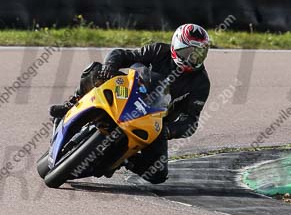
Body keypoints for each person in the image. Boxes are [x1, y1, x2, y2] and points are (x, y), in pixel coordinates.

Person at [49, 24, 211, 184]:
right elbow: (122, 54)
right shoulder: (158, 51)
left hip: (154, 121)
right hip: (129, 94)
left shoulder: (201, 83)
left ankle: (126, 159)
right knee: (94, 70)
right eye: (188, 52)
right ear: (176, 47)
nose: (192, 59)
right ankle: (72, 104)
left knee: (158, 174)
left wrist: (168, 130)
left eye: (199, 54)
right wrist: (109, 67)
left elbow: (191, 120)